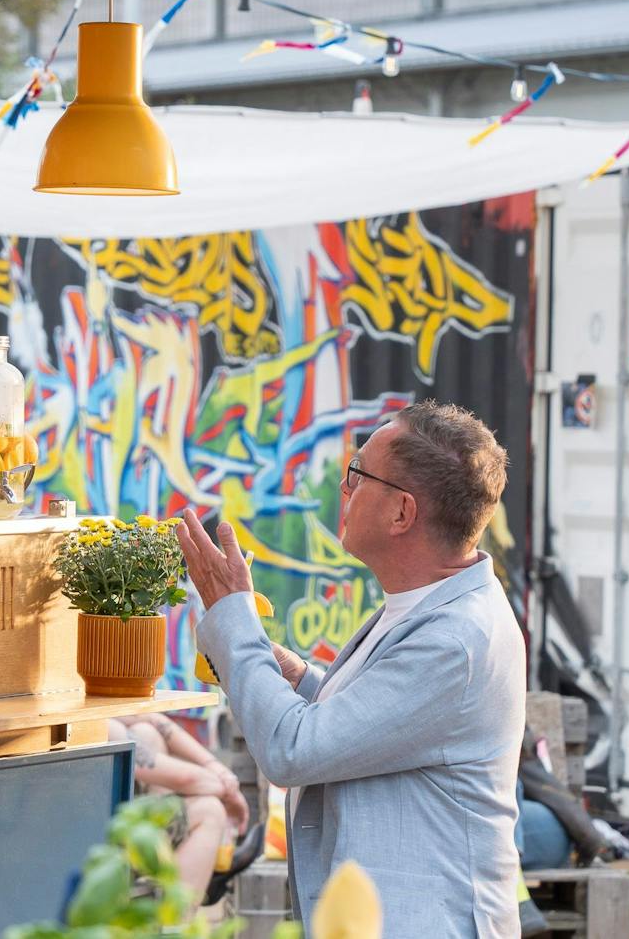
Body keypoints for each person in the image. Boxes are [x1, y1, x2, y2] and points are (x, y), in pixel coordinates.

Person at [176, 399, 525, 937]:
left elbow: (293, 751)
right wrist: (298, 679)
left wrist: (234, 624)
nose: (343, 489)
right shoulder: (432, 604)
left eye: (357, 474)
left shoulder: (456, 639)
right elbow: (390, 729)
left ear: (401, 512)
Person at [106, 714, 264, 905]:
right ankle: (177, 922)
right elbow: (188, 780)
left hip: (102, 821)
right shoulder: (98, 725)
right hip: (99, 842)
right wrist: (229, 790)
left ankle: (182, 866)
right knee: (209, 811)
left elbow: (149, 717)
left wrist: (213, 766)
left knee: (147, 733)